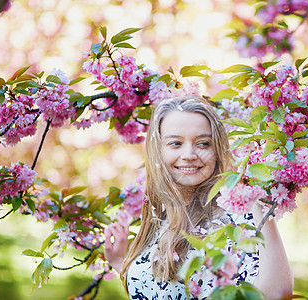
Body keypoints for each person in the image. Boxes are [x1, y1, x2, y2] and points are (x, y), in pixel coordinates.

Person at [104, 95, 293, 299]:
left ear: (217, 150)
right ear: (158, 150)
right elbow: (156, 290)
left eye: (203, 143)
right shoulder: (160, 217)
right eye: (175, 143)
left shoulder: (239, 218)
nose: (189, 154)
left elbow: (277, 293)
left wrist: (259, 202)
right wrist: (123, 264)